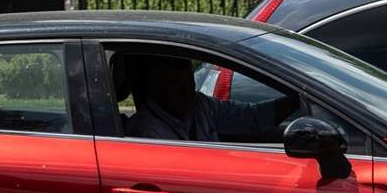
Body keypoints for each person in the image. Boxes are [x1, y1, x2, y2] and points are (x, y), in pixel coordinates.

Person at [124, 56, 296, 142]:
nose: (186, 87)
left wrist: (297, 99)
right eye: (175, 82)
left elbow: (252, 117)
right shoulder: (145, 132)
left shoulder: (201, 106)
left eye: (188, 77)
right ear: (156, 83)